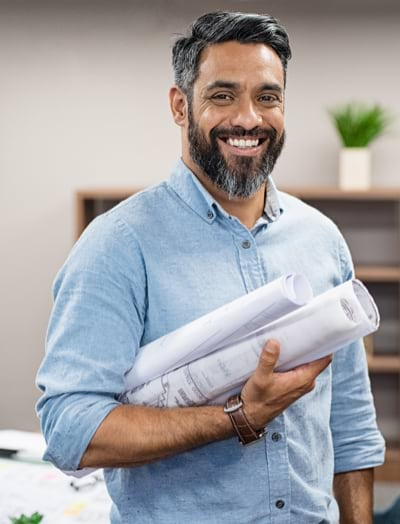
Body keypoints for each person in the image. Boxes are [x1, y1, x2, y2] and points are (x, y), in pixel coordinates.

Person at [36, 11, 385, 524]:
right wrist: (237, 417)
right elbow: (70, 428)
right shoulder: (117, 245)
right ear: (180, 106)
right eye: (223, 95)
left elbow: (351, 426)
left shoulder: (321, 239)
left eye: (268, 97)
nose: (249, 118)